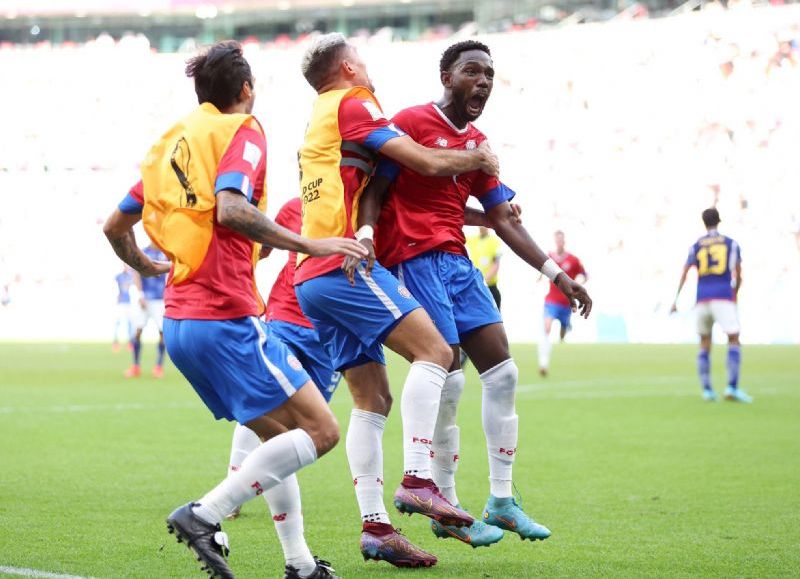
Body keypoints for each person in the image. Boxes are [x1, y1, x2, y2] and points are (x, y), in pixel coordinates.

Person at [103, 40, 366, 579]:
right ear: (246, 90)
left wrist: (147, 264)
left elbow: (115, 226)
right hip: (226, 318)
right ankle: (205, 514)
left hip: (181, 324)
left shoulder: (172, 144)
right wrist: (309, 244)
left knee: (277, 438)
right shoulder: (242, 130)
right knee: (321, 431)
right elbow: (231, 207)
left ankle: (299, 565)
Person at [348, 40, 592, 548]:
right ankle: (444, 499)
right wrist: (367, 236)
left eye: (489, 75)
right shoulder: (412, 122)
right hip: (412, 257)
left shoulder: (480, 145)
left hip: (457, 263)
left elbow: (502, 218)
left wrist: (556, 274)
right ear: (447, 75)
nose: (482, 82)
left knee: (503, 372)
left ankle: (501, 500)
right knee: (448, 372)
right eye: (471, 72)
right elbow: (376, 188)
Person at [294, 32, 500, 568]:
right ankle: (416, 478)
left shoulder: (319, 116)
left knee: (372, 400)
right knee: (437, 353)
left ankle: (377, 529)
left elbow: (371, 189)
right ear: (346, 68)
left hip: (310, 275)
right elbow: (426, 163)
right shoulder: (353, 102)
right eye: (361, 60)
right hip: (343, 266)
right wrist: (478, 156)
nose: (369, 69)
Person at [224, 197, 342, 579]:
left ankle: (235, 494)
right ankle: (229, 492)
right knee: (270, 411)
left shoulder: (369, 208)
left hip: (329, 333)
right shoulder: (298, 205)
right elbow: (263, 244)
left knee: (301, 433)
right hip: (284, 317)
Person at [671, 208, 752, 403]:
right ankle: (731, 387)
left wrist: (675, 300)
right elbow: (738, 273)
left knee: (704, 342)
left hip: (702, 299)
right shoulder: (731, 243)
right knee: (733, 338)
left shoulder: (697, 245)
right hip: (723, 296)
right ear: (719, 221)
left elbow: (685, 272)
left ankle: (707, 390)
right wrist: (735, 292)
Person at [538, 230, 587, 377]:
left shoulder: (573, 260)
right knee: (546, 328)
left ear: (564, 241)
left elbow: (584, 275)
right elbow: (541, 270)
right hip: (551, 300)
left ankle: (564, 332)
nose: (559, 242)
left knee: (562, 333)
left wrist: (578, 286)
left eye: (561, 240)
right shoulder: (549, 257)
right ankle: (543, 363)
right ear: (555, 241)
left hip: (566, 302)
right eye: (557, 240)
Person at [125, 232, 168, 378]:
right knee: (137, 331)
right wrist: (140, 295)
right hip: (145, 299)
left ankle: (158, 366)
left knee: (163, 333)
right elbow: (136, 274)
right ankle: (136, 365)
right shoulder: (143, 252)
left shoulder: (166, 253)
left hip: (160, 299)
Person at [466, 226, 502, 309]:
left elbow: (495, 264)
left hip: (490, 288)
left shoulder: (494, 241)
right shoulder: (473, 240)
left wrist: (482, 282)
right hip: (475, 289)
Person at [112, 265, 134, 353]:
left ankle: (130, 343)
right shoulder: (118, 276)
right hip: (121, 303)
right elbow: (113, 286)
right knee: (118, 322)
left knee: (129, 323)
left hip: (129, 303)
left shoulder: (131, 276)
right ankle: (115, 342)